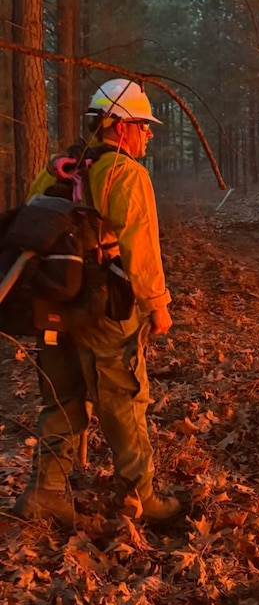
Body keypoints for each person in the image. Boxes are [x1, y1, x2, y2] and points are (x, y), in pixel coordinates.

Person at [13, 78, 182, 527]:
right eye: (143, 126)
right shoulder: (126, 174)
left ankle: (44, 492)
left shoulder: (58, 168)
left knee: (62, 398)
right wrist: (158, 305)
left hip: (53, 302)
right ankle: (139, 496)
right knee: (124, 399)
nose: (148, 134)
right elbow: (141, 247)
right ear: (120, 126)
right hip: (105, 307)